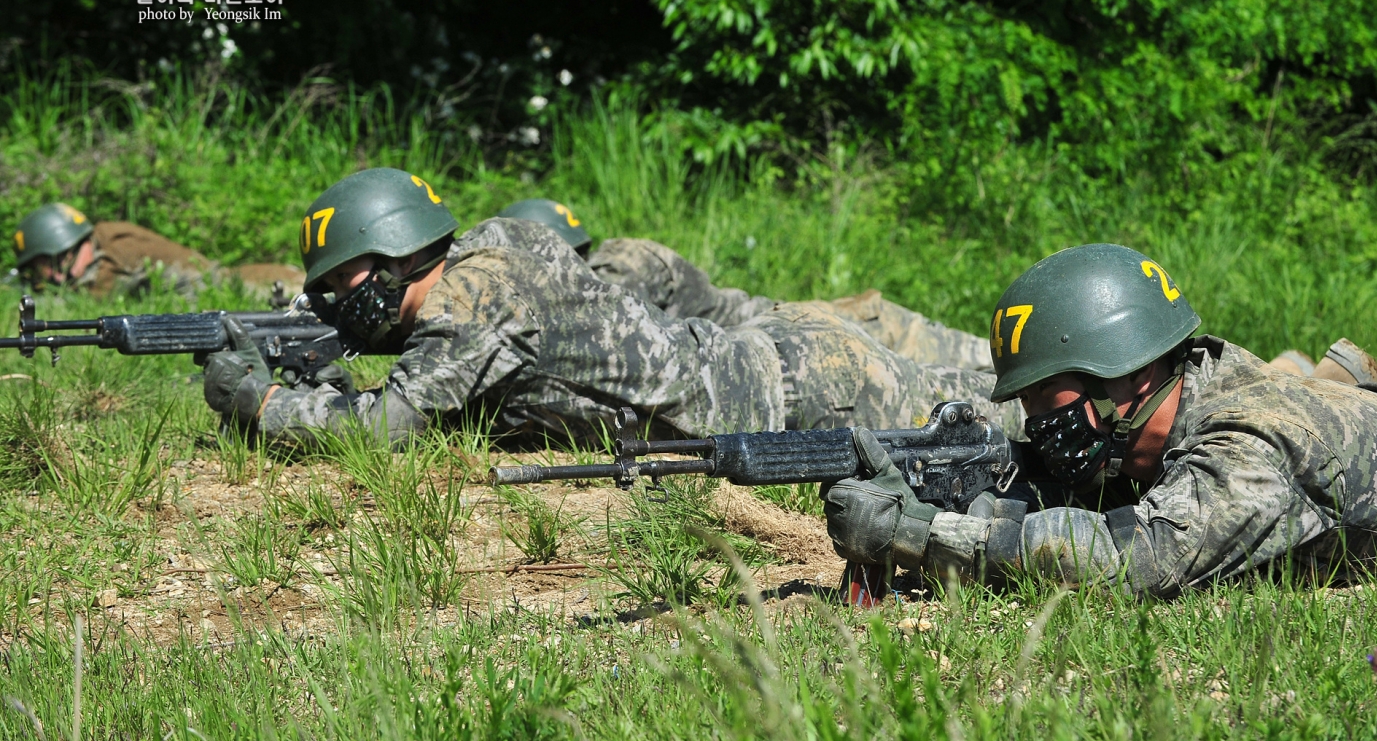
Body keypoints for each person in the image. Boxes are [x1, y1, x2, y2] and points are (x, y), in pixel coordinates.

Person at [201, 170, 1020, 448]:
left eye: (343, 291)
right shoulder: (492, 247)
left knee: (1017, 417)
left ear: (390, 260)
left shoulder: (474, 300)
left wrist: (265, 403)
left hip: (809, 389)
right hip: (787, 356)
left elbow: (385, 428)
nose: (340, 311)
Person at [822, 243, 1377, 598]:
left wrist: (919, 534)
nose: (1038, 419)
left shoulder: (1252, 445)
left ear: (1127, 371)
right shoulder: (1189, 394)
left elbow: (1131, 558)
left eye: (1050, 392)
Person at [497, 197, 993, 372]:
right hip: (811, 333)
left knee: (1006, 363)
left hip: (844, 327)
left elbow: (615, 335)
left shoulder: (621, 264)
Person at [10, 203, 305, 299]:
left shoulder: (115, 254)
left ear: (63, 252)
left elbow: (95, 297)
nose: (46, 276)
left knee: (298, 296)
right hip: (223, 281)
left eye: (42, 266)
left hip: (234, 285)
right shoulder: (105, 237)